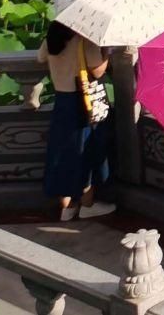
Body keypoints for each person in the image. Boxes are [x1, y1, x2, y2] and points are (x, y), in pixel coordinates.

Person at [38, 20, 116, 221]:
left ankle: (67, 207)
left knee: (62, 153)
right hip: (81, 103)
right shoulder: (85, 39)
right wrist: (106, 52)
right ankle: (88, 204)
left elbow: (40, 58)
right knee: (85, 152)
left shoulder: (53, 36)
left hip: (61, 101)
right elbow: (97, 71)